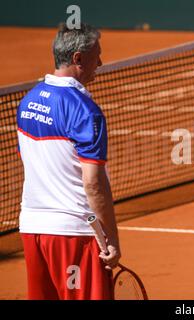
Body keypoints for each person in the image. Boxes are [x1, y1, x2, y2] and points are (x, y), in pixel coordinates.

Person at [16, 23, 120, 300]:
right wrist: (111, 240)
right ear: (77, 59)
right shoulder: (86, 111)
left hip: (32, 229)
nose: (100, 62)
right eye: (96, 55)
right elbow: (93, 184)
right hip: (74, 234)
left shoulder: (27, 102)